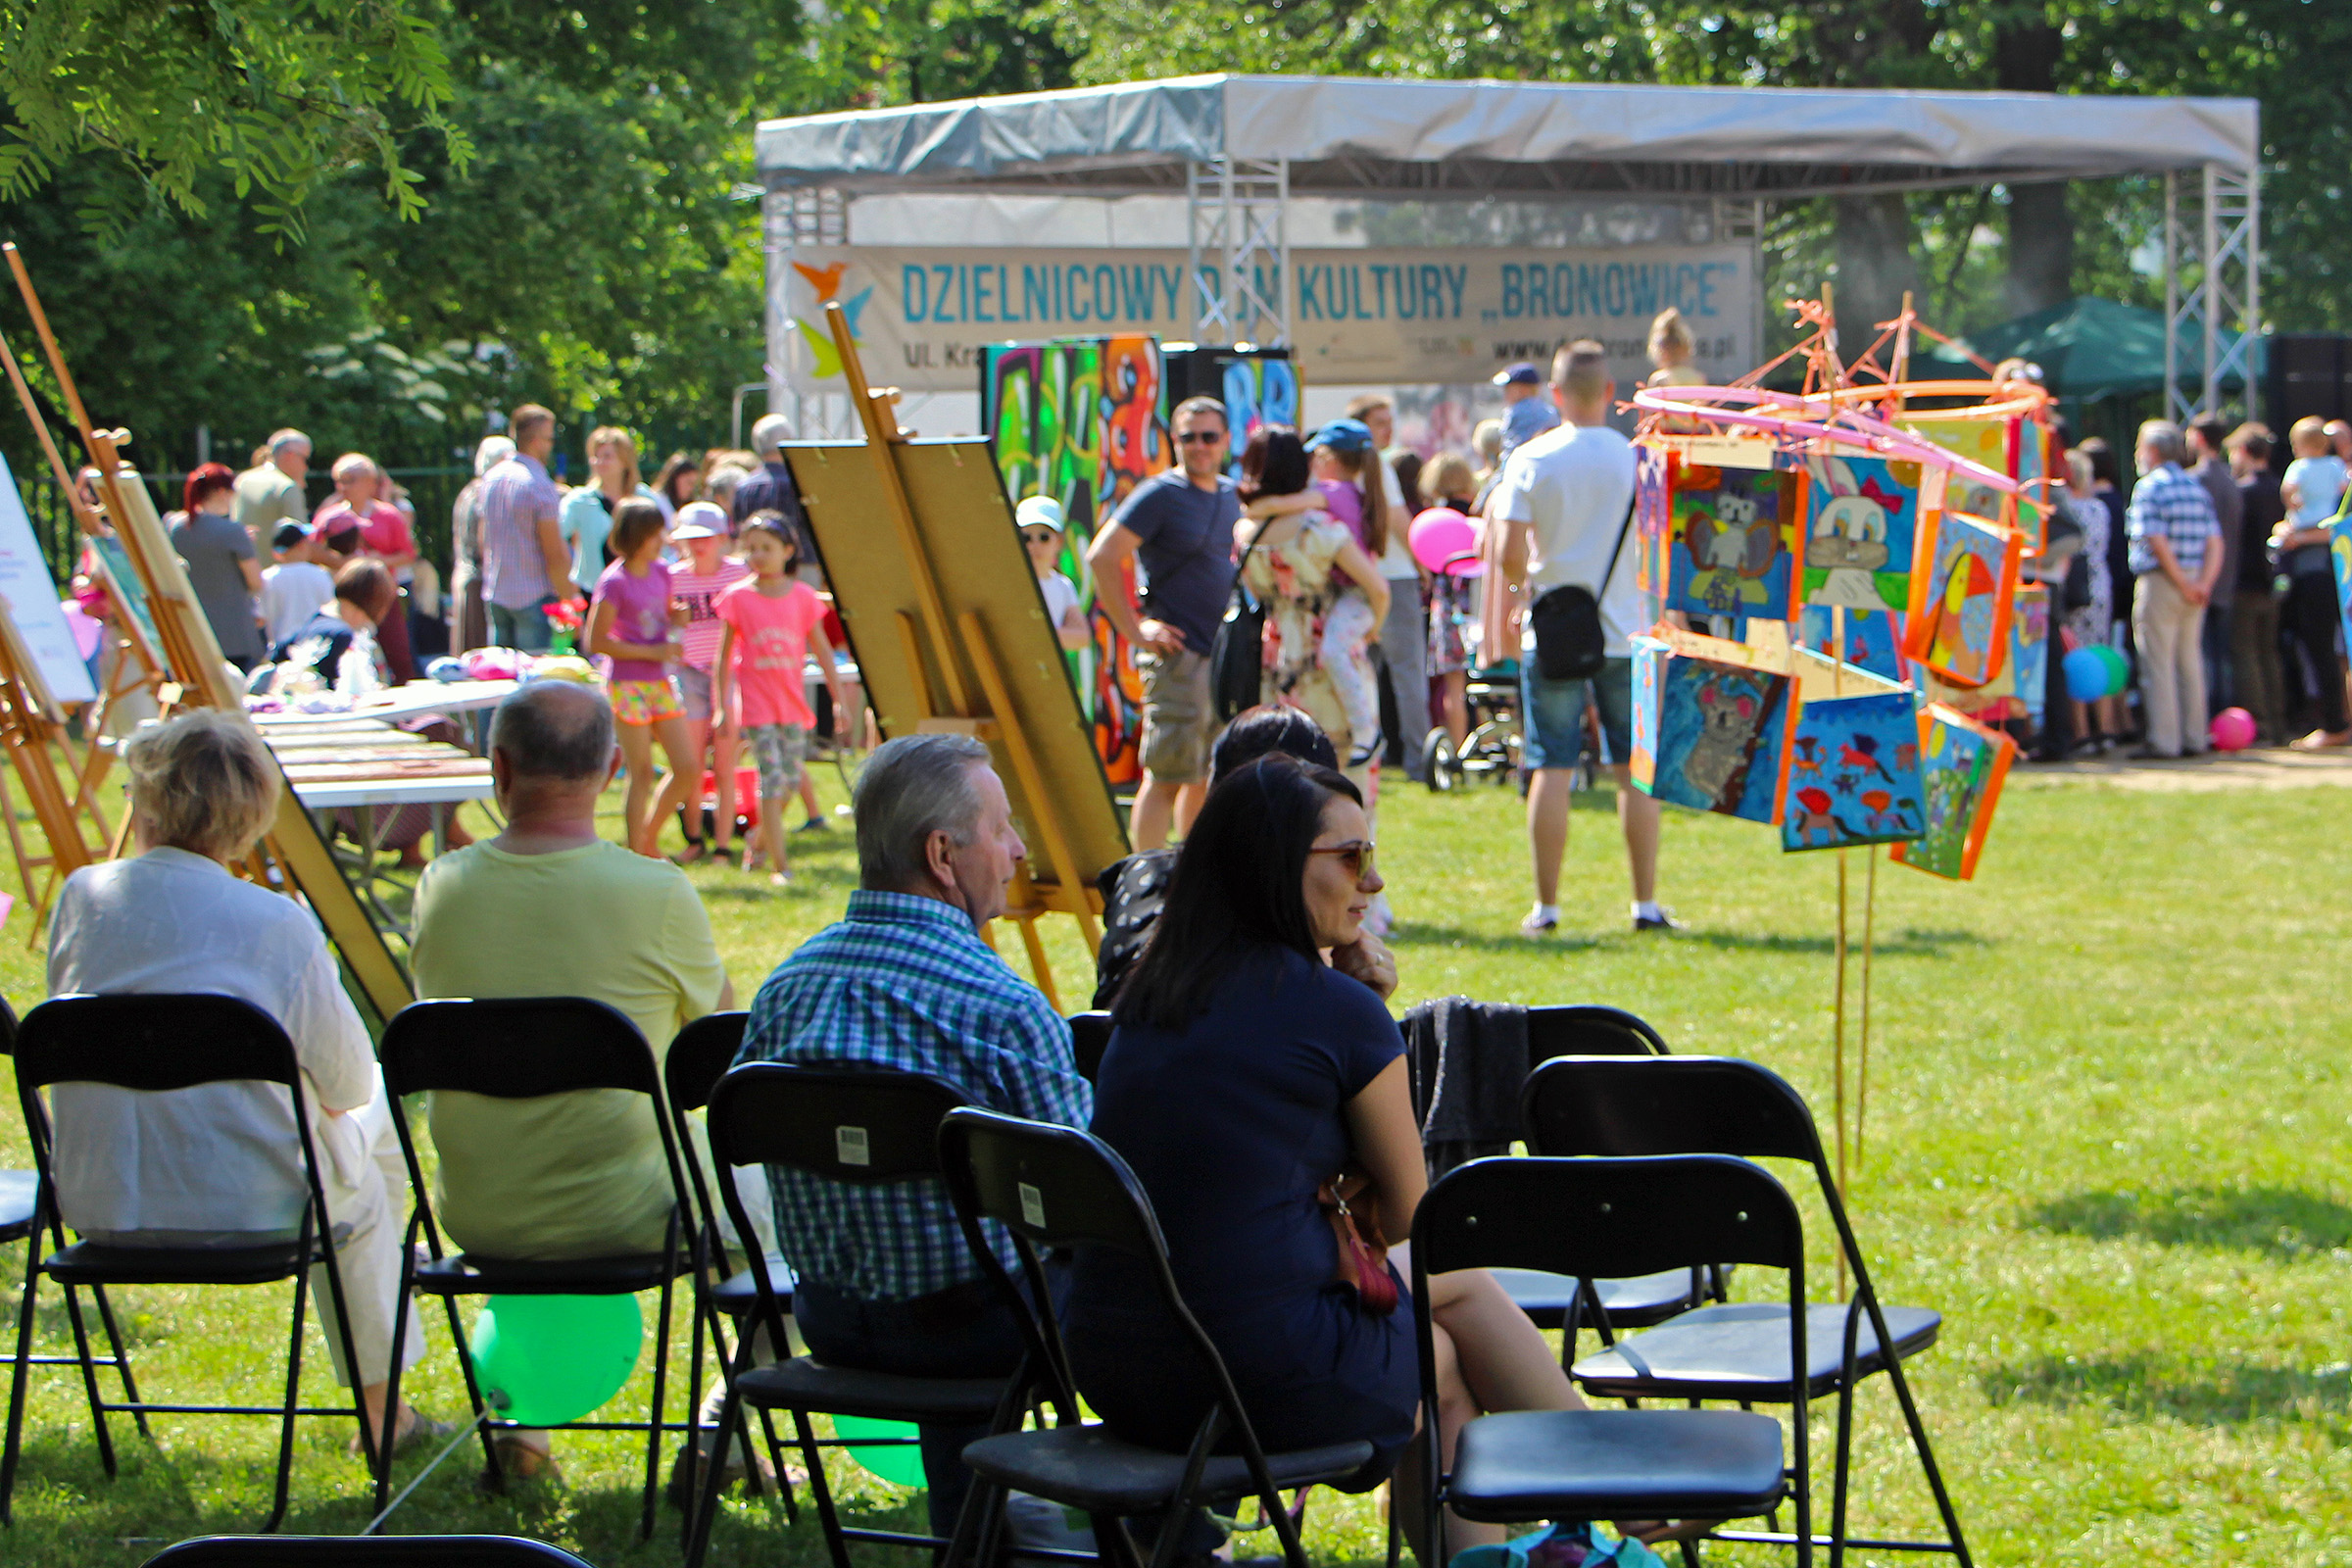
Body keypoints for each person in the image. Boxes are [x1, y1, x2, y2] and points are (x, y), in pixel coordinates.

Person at [1073, 754, 1592, 1567]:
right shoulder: (1338, 1015)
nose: (1373, 882)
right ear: (1276, 867)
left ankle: (1602, 1489)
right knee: (1452, 1301)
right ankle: (1611, 1482)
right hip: (1247, 1374)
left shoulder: (1147, 999)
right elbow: (1415, 1223)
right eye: (1351, 858)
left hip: (1116, 1365)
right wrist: (1362, 1018)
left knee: (1439, 1353)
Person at [47, 710, 437, 1456]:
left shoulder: (81, 899)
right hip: (252, 1204)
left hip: (101, 1198)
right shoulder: (274, 922)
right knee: (373, 1130)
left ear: (148, 799)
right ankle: (383, 1406)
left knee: (353, 1161)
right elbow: (348, 1082)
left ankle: (387, 1376)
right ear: (252, 814)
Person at [735, 732, 1093, 1540]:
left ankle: (978, 1528)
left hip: (828, 1320)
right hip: (978, 1334)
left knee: (958, 1254)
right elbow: (1094, 1195)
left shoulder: (784, 990)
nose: (1017, 849)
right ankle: (1175, 1533)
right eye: (1001, 828)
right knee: (1151, 1268)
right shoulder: (1000, 1008)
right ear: (942, 855)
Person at [410, 681, 733, 1479]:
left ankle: (523, 1428)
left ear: (498, 769)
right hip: (627, 1212)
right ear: (614, 768)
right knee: (775, 1194)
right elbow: (723, 1051)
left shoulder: (440, 887)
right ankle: (726, 1430)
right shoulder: (657, 892)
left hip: (481, 1210)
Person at [1491, 341, 1669, 934]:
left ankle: (1547, 907)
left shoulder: (1532, 458)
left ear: (1556, 394)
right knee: (1634, 770)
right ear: (1611, 393)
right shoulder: (1640, 459)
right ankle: (1645, 903)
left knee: (1551, 765)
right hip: (1627, 630)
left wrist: (1520, 592)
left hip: (1555, 631)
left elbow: (1508, 553)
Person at [1090, 705, 1358, 1008]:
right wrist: (1358, 997)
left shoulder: (1143, 874)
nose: (1371, 881)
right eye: (1349, 857)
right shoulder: (1258, 900)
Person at [1086, 395, 1241, 850]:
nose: (1199, 446)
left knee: (1207, 773)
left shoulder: (1232, 494)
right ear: (1174, 441)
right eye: (1188, 437)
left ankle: (1193, 871)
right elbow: (1102, 556)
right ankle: (1146, 876)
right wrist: (1135, 630)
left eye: (1209, 437)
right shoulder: (1160, 494)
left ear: (1226, 440)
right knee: (1166, 775)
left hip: (1222, 659)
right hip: (1177, 657)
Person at [1233, 427, 1390, 777]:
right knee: (1341, 769)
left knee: (1288, 766)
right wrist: (1373, 627)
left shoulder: (1244, 532)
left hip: (1279, 655)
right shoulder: (1320, 526)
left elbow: (1256, 591)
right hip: (1329, 659)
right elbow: (1377, 588)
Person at [713, 514, 849, 887]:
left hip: (792, 709)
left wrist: (838, 699)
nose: (758, 555)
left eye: (767, 548)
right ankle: (780, 866)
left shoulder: (803, 597)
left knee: (788, 782)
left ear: (788, 551)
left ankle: (758, 839)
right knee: (772, 783)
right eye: (751, 548)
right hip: (758, 710)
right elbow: (723, 658)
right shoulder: (738, 597)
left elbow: (822, 650)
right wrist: (723, 707)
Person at [585, 498, 697, 856]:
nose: (662, 540)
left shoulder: (662, 571)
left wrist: (676, 617)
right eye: (654, 534)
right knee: (642, 771)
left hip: (660, 681)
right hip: (626, 684)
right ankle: (638, 851)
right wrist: (653, 652)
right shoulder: (614, 582)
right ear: (636, 536)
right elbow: (596, 641)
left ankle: (646, 838)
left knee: (688, 767)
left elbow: (661, 614)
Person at [1347, 395, 1434, 781]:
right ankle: (1419, 761)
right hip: (1393, 578)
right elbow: (1398, 519)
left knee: (1362, 674)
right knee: (1408, 674)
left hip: (1358, 576)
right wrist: (1421, 560)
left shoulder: (1344, 467)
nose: (1389, 429)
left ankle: (1366, 755)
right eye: (1380, 422)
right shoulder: (1377, 464)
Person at [2125, 419, 2223, 760]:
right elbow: (2215, 541)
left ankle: (2164, 741)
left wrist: (2182, 581)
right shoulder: (2196, 487)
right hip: (2195, 580)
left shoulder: (2149, 487)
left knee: (2158, 662)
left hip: (2162, 580)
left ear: (2151, 451)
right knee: (2189, 660)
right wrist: (2203, 584)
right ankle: (2195, 737)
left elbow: (2155, 538)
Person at [667, 501, 753, 862]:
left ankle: (722, 844)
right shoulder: (672, 577)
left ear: (721, 538)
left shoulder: (738, 574)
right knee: (691, 762)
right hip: (688, 673)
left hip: (728, 674)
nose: (698, 545)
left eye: (705, 537)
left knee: (724, 763)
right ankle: (693, 840)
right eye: (691, 538)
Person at [2275, 415, 2349, 749]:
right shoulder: (2336, 470)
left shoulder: (2301, 470)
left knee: (2323, 650)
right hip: (2326, 573)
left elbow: (2290, 495)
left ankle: (2334, 725)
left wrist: (2299, 533)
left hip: (2324, 575)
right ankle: (2335, 723)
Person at [313, 454, 417, 682]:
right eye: (339, 481)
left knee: (398, 652)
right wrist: (341, 563)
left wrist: (377, 561)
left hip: (381, 594)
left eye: (350, 480)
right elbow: (312, 551)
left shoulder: (389, 515)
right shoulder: (328, 516)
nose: (343, 487)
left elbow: (408, 554)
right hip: (344, 599)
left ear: (370, 483)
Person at [479, 404, 576, 652]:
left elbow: (483, 538)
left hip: (496, 593)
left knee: (501, 673)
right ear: (536, 441)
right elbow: (554, 553)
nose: (551, 445)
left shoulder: (491, 479)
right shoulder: (539, 485)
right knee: (535, 672)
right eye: (549, 439)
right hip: (533, 598)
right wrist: (569, 601)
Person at [169, 462, 266, 670]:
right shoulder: (232, 531)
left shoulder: (175, 527)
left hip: (190, 633)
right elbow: (256, 582)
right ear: (222, 492)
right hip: (233, 635)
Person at [2060, 449, 2125, 751]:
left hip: (2073, 587)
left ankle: (2082, 731)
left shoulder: (2065, 508)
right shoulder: (2099, 508)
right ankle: (2107, 728)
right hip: (2099, 586)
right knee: (2100, 652)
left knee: (2075, 657)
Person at [2228, 425, 2287, 746]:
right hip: (2273, 584)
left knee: (2247, 654)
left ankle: (2259, 725)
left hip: (2246, 585)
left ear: (2244, 452)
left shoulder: (2243, 491)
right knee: (2269, 653)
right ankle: (2277, 724)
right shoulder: (2279, 488)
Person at [1418, 452, 1481, 750]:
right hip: (1480, 606)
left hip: (1448, 606)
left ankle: (1457, 751)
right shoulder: (1478, 514)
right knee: (1491, 684)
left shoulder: (1432, 520)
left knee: (1453, 686)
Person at [2187, 416, 2244, 715]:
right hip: (2227, 580)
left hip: (2199, 581)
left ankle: (2211, 717)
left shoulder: (2195, 481)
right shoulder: (2231, 480)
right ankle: (2224, 716)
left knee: (2203, 655)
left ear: (2198, 438)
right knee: (2221, 655)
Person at [560, 426, 659, 597]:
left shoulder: (645, 497)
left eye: (607, 456)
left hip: (639, 592)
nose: (599, 462)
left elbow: (661, 539)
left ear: (624, 460)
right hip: (593, 591)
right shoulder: (580, 500)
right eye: (595, 456)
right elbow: (557, 533)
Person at [447, 434, 514, 656]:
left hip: (466, 575)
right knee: (479, 653)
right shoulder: (486, 493)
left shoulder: (469, 491)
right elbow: (483, 542)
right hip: (479, 579)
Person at [1019, 496, 1090, 650]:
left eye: (1044, 537)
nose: (1034, 544)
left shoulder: (1064, 585)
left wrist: (1038, 633)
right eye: (1026, 538)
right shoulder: (1010, 581)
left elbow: (1082, 637)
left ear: (1058, 541)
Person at [233, 429, 312, 551]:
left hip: (240, 562)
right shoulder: (287, 487)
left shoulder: (242, 480)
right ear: (290, 455)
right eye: (305, 459)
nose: (306, 467)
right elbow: (302, 542)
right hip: (275, 562)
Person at [260, 522, 334, 650]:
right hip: (315, 646)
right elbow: (330, 606)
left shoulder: (266, 578)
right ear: (301, 545)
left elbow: (260, 617)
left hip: (279, 648)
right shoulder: (320, 574)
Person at [730, 415, 806, 537]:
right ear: (788, 441)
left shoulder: (743, 487)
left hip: (753, 548)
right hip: (795, 549)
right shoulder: (800, 484)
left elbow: (739, 531)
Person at [1491, 362, 1560, 465]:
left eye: (1508, 387)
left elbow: (1511, 454)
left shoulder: (1517, 412)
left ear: (1523, 389)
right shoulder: (1550, 411)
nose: (1505, 393)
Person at [650, 452, 703, 522]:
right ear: (674, 479)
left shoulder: (691, 507)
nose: (691, 488)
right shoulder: (657, 502)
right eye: (688, 482)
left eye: (694, 484)